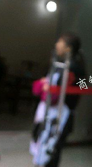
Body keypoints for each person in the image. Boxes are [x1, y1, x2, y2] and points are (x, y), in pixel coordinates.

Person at [30, 32, 86, 167]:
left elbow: (77, 89)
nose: (56, 45)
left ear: (68, 48)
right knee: (45, 147)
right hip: (52, 113)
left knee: (51, 150)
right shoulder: (61, 65)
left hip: (61, 115)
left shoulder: (73, 68)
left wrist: (49, 88)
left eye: (60, 42)